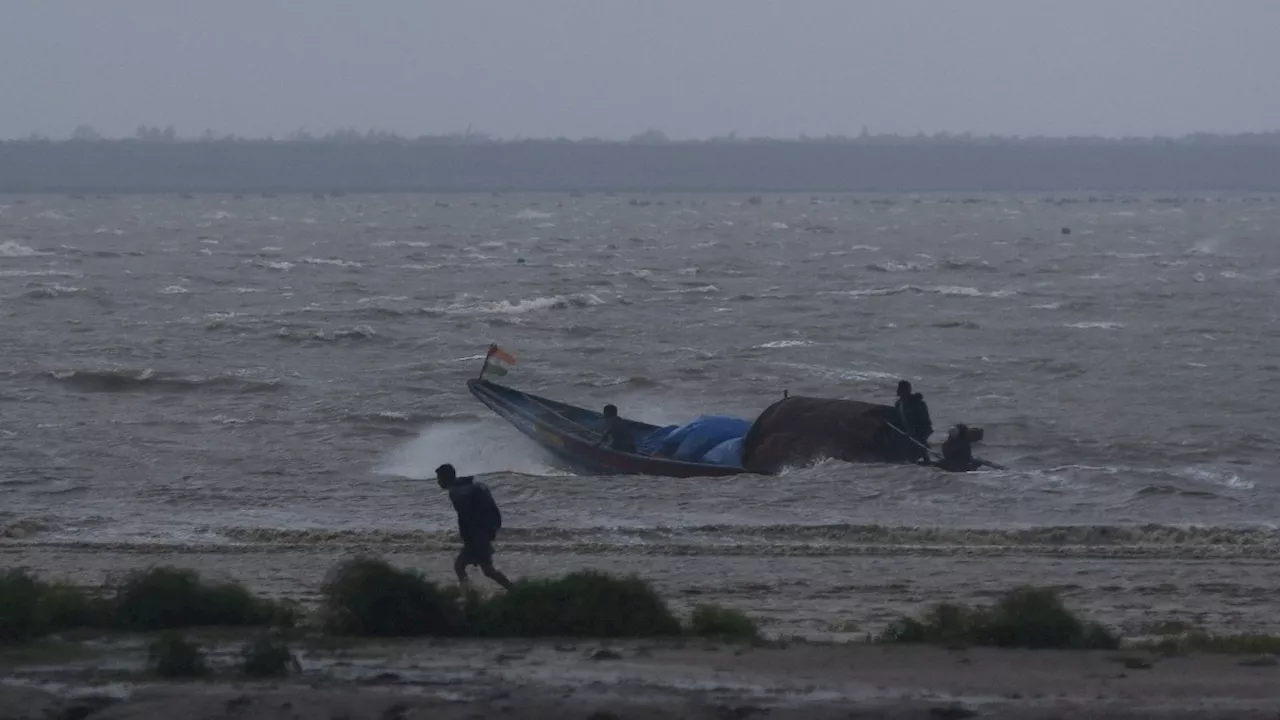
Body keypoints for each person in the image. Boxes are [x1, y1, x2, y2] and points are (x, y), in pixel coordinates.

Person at [436, 463, 512, 589]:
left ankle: (468, 594)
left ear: (445, 478)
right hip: (483, 534)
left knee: (461, 567)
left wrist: (471, 540)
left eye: (439, 478)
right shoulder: (466, 486)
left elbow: (466, 519)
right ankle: (512, 589)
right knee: (487, 570)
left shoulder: (456, 493)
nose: (438, 482)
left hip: (476, 538)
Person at [892, 380, 933, 463]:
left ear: (907, 390)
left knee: (921, 450)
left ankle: (927, 462)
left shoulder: (918, 404)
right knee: (908, 456)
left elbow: (925, 421)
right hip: (906, 435)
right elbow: (897, 419)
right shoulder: (898, 404)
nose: (897, 391)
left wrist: (919, 433)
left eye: (900, 389)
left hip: (919, 433)